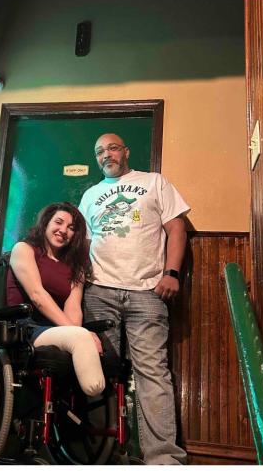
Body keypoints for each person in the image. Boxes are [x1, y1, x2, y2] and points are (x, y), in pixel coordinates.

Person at [78, 133, 189, 465]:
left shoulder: (154, 182)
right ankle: (102, 454)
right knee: (96, 371)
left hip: (147, 292)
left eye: (112, 147)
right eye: (99, 151)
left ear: (126, 151)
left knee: (153, 373)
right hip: (99, 292)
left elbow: (177, 228)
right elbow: (83, 245)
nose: (106, 154)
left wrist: (172, 273)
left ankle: (164, 459)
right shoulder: (90, 195)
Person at [7, 202, 105, 397]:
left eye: (71, 228)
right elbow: (37, 296)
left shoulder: (75, 268)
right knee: (82, 338)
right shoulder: (24, 249)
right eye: (58, 222)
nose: (63, 231)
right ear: (45, 224)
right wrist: (80, 334)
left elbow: (74, 309)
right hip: (25, 328)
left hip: (55, 328)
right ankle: (94, 391)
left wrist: (77, 332)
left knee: (90, 341)